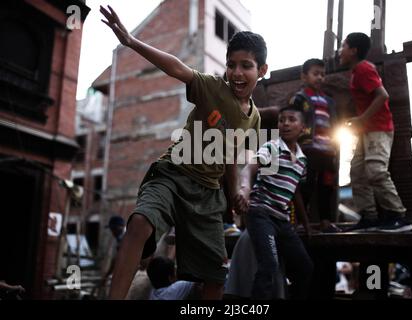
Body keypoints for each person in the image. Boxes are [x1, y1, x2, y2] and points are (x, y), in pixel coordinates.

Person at [100, 5, 267, 299]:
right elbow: (177, 67)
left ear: (262, 70)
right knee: (139, 223)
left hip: (207, 196)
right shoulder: (213, 87)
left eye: (246, 65)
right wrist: (131, 41)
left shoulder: (254, 119)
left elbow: (229, 156)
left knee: (216, 277)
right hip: (173, 175)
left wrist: (235, 193)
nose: (237, 72)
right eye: (232, 65)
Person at [235, 105, 314, 299]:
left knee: (305, 267)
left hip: (282, 220)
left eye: (291, 119)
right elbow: (249, 168)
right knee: (269, 265)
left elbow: (295, 191)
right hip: (260, 213)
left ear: (303, 127)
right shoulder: (272, 147)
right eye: (282, 120)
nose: (285, 123)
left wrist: (306, 224)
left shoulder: (302, 160)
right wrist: (245, 189)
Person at [339, 32, 412, 232]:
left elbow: (382, 95)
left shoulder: (364, 68)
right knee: (357, 172)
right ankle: (369, 216)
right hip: (366, 131)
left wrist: (362, 119)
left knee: (376, 170)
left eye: (343, 46)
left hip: (379, 128)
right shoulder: (356, 71)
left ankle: (398, 215)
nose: (340, 50)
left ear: (353, 50)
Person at [289, 58, 340, 233]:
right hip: (308, 150)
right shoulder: (299, 98)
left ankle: (326, 222)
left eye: (322, 74)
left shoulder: (329, 101)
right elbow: (291, 120)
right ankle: (301, 224)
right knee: (306, 186)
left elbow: (335, 124)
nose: (320, 78)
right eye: (315, 74)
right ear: (304, 77)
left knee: (326, 187)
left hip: (327, 151)